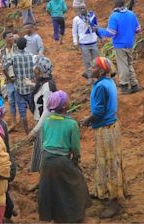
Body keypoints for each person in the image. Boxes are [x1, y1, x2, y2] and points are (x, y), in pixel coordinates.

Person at [81, 57, 126, 219]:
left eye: (93, 67)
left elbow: (99, 111)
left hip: (105, 128)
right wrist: (89, 75)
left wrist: (87, 119)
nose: (90, 68)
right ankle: (108, 190)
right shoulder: (108, 81)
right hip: (112, 125)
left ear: (101, 70)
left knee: (108, 162)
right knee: (113, 160)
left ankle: (114, 202)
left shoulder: (100, 87)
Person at [38, 91, 90, 223]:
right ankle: (74, 215)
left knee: (51, 189)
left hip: (46, 161)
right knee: (77, 185)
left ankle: (53, 216)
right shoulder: (71, 124)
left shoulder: (46, 121)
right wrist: (75, 160)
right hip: (62, 160)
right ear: (65, 106)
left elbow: (44, 141)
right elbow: (75, 148)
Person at [97, 0, 141, 94]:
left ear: (115, 4)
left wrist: (99, 30)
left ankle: (124, 85)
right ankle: (134, 84)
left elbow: (110, 33)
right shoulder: (131, 14)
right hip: (130, 43)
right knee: (129, 64)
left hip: (120, 44)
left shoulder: (114, 16)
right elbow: (138, 29)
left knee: (123, 65)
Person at [27, 57, 57, 173]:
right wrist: (30, 84)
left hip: (44, 125)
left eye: (36, 67)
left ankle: (47, 182)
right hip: (41, 123)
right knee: (41, 155)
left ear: (40, 70)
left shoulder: (47, 86)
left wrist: (35, 130)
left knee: (44, 156)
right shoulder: (43, 82)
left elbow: (47, 110)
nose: (34, 69)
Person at [12, 37, 35, 134]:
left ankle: (27, 133)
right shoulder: (31, 55)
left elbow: (4, 67)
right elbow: (36, 67)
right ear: (26, 45)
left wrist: (10, 79)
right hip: (30, 86)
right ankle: (38, 128)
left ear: (17, 45)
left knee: (23, 114)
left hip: (19, 87)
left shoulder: (14, 56)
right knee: (34, 109)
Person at [73, 5, 100, 84]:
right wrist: (75, 41)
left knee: (96, 61)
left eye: (84, 8)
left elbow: (96, 26)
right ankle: (90, 77)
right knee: (87, 61)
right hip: (83, 43)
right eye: (80, 8)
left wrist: (100, 36)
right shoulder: (76, 19)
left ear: (86, 8)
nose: (82, 10)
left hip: (93, 42)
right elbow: (74, 31)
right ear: (78, 10)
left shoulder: (92, 16)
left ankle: (97, 77)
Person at [0, 31, 18, 131]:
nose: (12, 38)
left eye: (12, 36)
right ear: (5, 39)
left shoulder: (17, 48)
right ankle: (14, 122)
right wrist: (7, 78)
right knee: (11, 101)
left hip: (18, 77)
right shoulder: (2, 51)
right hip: (9, 79)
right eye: (9, 37)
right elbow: (3, 66)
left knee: (21, 100)